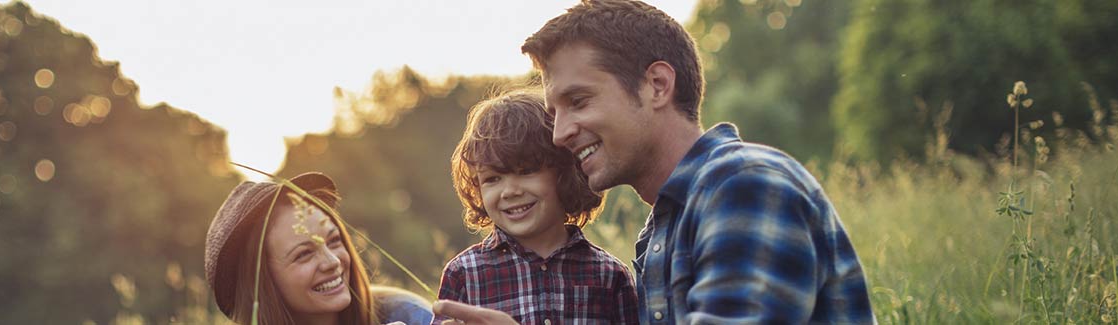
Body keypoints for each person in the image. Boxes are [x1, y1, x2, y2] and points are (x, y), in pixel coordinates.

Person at [434, 1, 875, 324]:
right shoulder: (660, 232)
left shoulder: (744, 186)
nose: (559, 133)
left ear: (657, 85)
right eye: (556, 111)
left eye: (579, 101)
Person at [436, 90, 638, 324]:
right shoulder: (464, 274)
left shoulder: (609, 275)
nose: (510, 191)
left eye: (526, 171)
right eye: (492, 178)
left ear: (565, 173)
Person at [205, 172, 433, 324]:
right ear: (261, 283)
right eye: (304, 254)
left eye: (334, 241)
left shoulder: (406, 315)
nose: (333, 261)